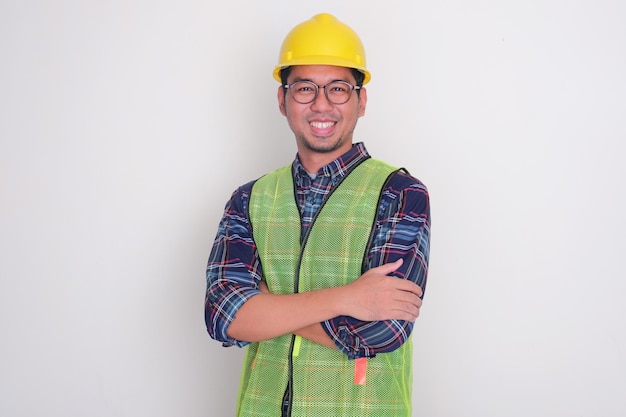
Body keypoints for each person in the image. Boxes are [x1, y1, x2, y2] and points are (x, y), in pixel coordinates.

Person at [205, 12, 431, 417]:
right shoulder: (249, 199)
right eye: (305, 88)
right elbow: (224, 314)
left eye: (339, 89)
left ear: (361, 100)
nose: (321, 104)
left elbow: (380, 330)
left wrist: (264, 309)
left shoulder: (399, 194)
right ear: (283, 100)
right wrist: (348, 297)